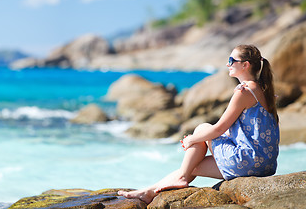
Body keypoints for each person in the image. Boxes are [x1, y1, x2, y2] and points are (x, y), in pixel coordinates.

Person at [118, 44, 280, 204]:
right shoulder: (263, 90)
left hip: (248, 161)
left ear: (245, 65)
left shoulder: (244, 91)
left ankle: (181, 177)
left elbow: (219, 128)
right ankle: (150, 191)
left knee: (202, 128)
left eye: (231, 60)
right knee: (192, 166)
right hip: (265, 165)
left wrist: (192, 139)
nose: (227, 64)